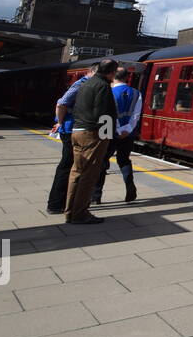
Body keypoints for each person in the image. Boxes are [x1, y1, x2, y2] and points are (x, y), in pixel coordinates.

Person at [64, 59, 118, 225]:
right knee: (89, 175)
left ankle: (70, 211)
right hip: (92, 134)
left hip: (78, 130)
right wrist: (107, 137)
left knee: (76, 173)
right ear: (111, 72)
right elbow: (104, 114)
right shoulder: (103, 86)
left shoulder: (86, 84)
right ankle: (80, 213)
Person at [46, 65, 96, 214]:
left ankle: (63, 202)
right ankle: (55, 204)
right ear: (91, 72)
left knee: (71, 166)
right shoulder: (81, 84)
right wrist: (60, 123)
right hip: (70, 130)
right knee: (67, 166)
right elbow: (61, 103)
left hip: (74, 129)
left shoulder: (85, 84)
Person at [92, 66, 142, 204]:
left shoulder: (109, 92)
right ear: (127, 77)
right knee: (124, 160)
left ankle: (96, 196)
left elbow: (109, 114)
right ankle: (130, 189)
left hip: (109, 132)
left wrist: (117, 130)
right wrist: (127, 129)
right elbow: (136, 114)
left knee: (102, 161)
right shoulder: (137, 93)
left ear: (114, 77)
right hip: (128, 134)